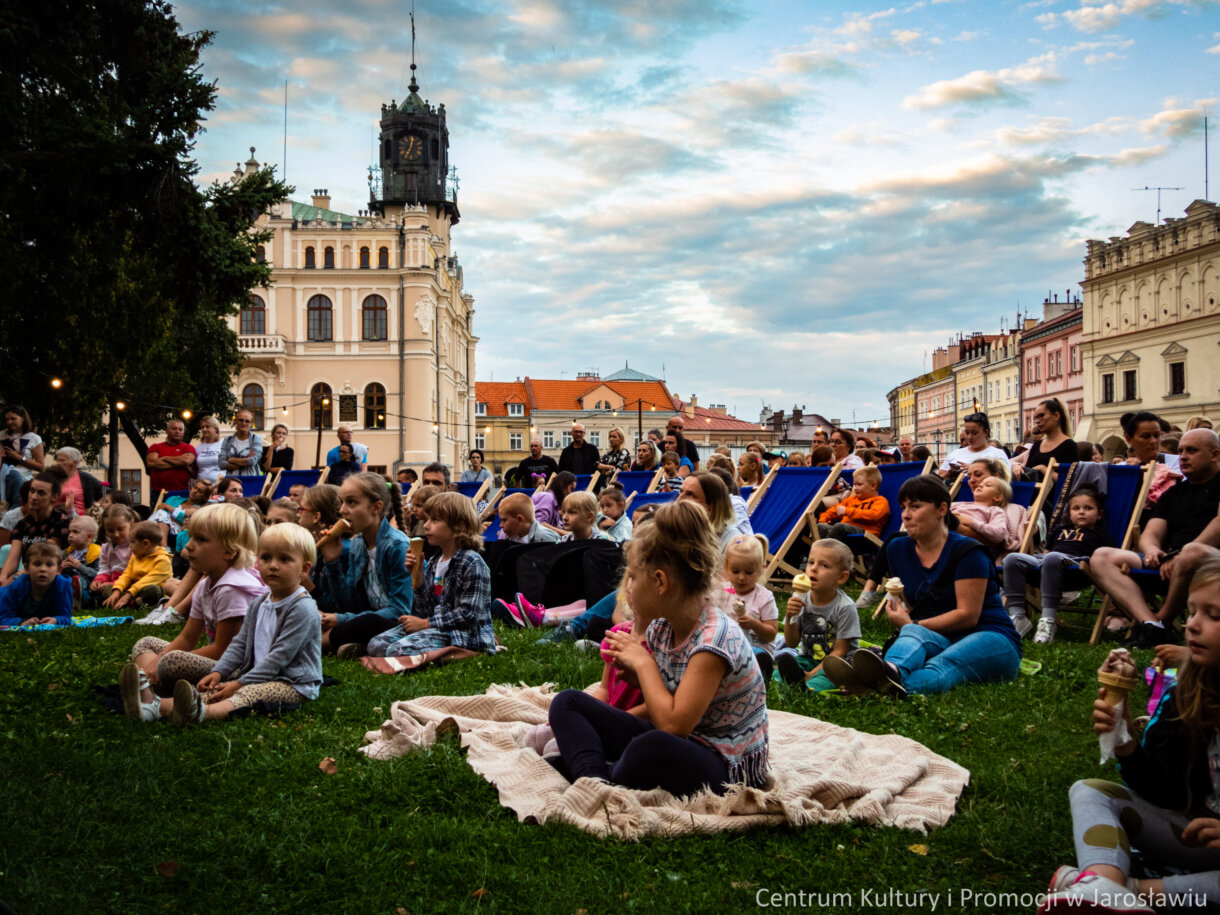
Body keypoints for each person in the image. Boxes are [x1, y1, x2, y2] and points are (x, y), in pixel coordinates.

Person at [546, 500, 769, 796]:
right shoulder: (661, 629)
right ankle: (595, 777)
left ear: (660, 582)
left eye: (634, 578)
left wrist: (644, 666)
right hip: (682, 740)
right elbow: (661, 700)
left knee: (650, 747)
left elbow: (674, 726)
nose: (628, 588)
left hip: (725, 761)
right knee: (568, 703)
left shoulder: (713, 641)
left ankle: (594, 772)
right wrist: (620, 707)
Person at [1037, 561, 1220, 913]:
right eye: (1193, 610)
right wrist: (1124, 740)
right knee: (1089, 790)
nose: (1193, 624)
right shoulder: (1189, 691)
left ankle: (1126, 890)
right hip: (1195, 835)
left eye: (1214, 615)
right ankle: (1102, 884)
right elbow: (1165, 791)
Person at [827, 475, 1021, 697]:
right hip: (940, 635)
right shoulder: (897, 549)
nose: (906, 514)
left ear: (941, 509)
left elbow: (968, 615)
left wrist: (911, 623)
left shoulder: (969, 552)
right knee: (913, 634)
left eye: (916, 506)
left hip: (989, 635)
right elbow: (916, 605)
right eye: (903, 507)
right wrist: (908, 619)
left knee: (942, 664)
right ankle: (890, 670)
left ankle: (874, 690)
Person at [123, 523, 322, 727]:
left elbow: (279, 657)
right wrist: (219, 672)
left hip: (291, 683)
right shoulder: (260, 602)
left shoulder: (302, 608)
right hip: (250, 671)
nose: (273, 565)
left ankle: (169, 708)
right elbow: (239, 644)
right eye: (265, 558)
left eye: (284, 559)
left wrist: (238, 683)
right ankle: (157, 695)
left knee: (247, 693)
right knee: (221, 686)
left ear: (305, 568)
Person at [1087, 428, 1220, 649]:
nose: (1183, 456)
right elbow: (1151, 532)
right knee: (1101, 556)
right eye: (1180, 451)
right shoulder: (1175, 492)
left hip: (1210, 565)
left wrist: (1180, 554)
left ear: (1214, 454)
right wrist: (1152, 550)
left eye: (1192, 450)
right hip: (1172, 564)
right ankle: (1150, 624)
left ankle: (1162, 620)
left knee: (1192, 551)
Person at [122, 503, 264, 703]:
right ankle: (150, 683)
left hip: (239, 668)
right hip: (217, 662)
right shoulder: (207, 584)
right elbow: (188, 637)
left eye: (201, 539)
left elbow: (222, 650)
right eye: (191, 536)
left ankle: (149, 687)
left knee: (171, 661)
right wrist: (158, 658)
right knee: (146, 643)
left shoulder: (232, 589)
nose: (189, 545)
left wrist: (163, 660)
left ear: (229, 552)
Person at [368, 491, 494, 659]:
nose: (426, 525)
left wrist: (426, 624)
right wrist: (418, 579)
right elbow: (425, 610)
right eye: (427, 519)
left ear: (459, 526)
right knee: (376, 645)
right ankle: (439, 653)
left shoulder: (472, 563)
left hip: (462, 635)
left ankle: (471, 652)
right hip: (436, 628)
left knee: (396, 651)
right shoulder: (435, 561)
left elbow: (469, 615)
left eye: (434, 520)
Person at [316, 473, 413, 657]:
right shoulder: (357, 545)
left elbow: (400, 610)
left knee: (368, 621)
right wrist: (332, 561)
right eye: (342, 502)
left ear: (376, 507)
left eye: (351, 502)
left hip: (401, 622)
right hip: (370, 620)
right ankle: (359, 644)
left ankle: (318, 644)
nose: (343, 510)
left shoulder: (397, 546)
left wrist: (342, 619)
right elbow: (349, 604)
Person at [1003, 486, 1113, 644]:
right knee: (1012, 558)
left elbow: (1106, 558)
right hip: (1048, 564)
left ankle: (1048, 618)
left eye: (1088, 508)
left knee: (1052, 557)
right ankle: (1018, 617)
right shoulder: (1059, 530)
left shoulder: (1100, 534)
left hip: (1077, 569)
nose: (1081, 511)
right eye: (1076, 508)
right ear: (1069, 513)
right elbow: (1047, 552)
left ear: (1100, 514)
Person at [775, 538, 859, 690]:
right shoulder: (800, 597)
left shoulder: (845, 607)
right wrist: (790, 617)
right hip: (809, 658)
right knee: (778, 674)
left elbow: (840, 651)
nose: (813, 569)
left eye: (824, 565)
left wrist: (812, 674)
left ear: (841, 577)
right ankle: (784, 679)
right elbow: (792, 642)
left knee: (823, 681)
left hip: (838, 664)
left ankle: (806, 687)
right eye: (810, 562)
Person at [721, 534, 778, 681]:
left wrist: (754, 624)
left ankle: (760, 671)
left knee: (755, 657)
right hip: (728, 646)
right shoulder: (723, 592)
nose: (741, 577)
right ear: (726, 567)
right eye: (735, 571)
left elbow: (771, 634)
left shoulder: (764, 597)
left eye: (748, 572)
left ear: (760, 569)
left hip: (757, 648)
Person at [0, 471, 71, 586]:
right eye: (32, 491)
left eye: (41, 493)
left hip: (50, 580)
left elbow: (43, 557)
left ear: (54, 497)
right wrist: (2, 578)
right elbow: (12, 559)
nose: (33, 497)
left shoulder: (61, 522)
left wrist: (13, 579)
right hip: (25, 577)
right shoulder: (23, 524)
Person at [102, 520, 172, 611]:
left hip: (145, 589)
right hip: (133, 590)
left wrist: (128, 595)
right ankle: (133, 602)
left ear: (145, 543)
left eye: (132, 542)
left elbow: (146, 581)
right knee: (108, 588)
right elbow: (127, 575)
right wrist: (117, 590)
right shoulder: (136, 555)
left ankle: (127, 601)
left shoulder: (163, 560)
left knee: (153, 590)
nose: (130, 546)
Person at [0, 541, 71, 627]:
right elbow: (4, 617)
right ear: (26, 568)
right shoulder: (16, 587)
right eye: (37, 564)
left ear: (59, 570)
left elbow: (65, 616)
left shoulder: (63, 586)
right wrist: (22, 623)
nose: (43, 569)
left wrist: (56, 620)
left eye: (49, 565)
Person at [817, 464, 889, 541]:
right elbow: (833, 510)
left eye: (859, 484)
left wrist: (847, 511)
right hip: (844, 531)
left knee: (839, 527)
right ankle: (825, 549)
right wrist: (823, 520)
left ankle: (826, 551)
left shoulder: (880, 501)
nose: (855, 488)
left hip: (865, 535)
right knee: (820, 527)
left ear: (873, 485)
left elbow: (873, 515)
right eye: (854, 485)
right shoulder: (850, 500)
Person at [951, 475, 1019, 555]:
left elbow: (999, 534)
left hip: (964, 546)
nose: (980, 485)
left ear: (997, 497)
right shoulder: (956, 504)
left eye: (988, 485)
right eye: (981, 483)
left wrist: (971, 522)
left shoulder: (994, 511)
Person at [677, 472, 740, 553]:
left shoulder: (732, 543)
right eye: (681, 492)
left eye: (690, 495)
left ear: (712, 506)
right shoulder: (678, 532)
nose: (679, 500)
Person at [1019, 398, 1077, 480]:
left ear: (1056, 416)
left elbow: (1068, 481)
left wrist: (1043, 469)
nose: (1037, 421)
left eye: (1041, 416)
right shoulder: (1037, 445)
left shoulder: (1070, 446)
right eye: (1036, 418)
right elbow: (1028, 472)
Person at [937, 413, 1009, 477]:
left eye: (974, 433)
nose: (969, 437)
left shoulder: (997, 454)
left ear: (986, 432)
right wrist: (948, 475)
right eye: (967, 433)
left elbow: (1005, 478)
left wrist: (973, 470)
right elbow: (939, 478)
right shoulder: (955, 453)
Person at [90, 505, 135, 606]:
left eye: (120, 529)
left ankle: (129, 600)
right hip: (112, 582)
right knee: (96, 589)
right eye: (111, 531)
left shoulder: (135, 546)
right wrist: (98, 581)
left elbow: (135, 572)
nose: (116, 534)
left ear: (131, 523)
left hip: (130, 581)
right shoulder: (106, 547)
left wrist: (114, 584)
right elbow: (104, 568)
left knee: (107, 590)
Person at [146, 419, 197, 496]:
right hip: (158, 492)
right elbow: (152, 463)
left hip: (181, 492)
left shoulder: (188, 448)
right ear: (166, 430)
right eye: (174, 428)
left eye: (180, 429)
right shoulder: (155, 447)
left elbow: (186, 460)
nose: (177, 431)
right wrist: (180, 464)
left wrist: (164, 458)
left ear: (183, 432)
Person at [52, 447, 104, 517]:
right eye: (57, 460)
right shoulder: (51, 478)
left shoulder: (85, 478)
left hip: (79, 522)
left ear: (74, 463)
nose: (58, 463)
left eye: (62, 460)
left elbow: (104, 494)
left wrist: (94, 512)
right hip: (54, 522)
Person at [61, 515, 100, 604]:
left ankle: (84, 600)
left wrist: (80, 566)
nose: (70, 535)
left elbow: (98, 574)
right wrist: (61, 567)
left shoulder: (96, 553)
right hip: (68, 582)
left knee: (80, 581)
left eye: (75, 532)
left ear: (89, 536)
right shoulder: (66, 552)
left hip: (87, 585)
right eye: (69, 532)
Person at [0, 405, 45, 483]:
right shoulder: (2, 435)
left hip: (22, 482)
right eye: (7, 419)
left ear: (23, 418)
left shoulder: (34, 438)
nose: (9, 422)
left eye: (13, 419)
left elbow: (41, 467)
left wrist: (19, 457)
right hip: (2, 481)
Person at [496, 492, 561, 544]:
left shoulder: (546, 539)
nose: (500, 525)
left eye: (504, 520)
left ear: (520, 520)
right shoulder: (511, 535)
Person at [219, 411, 264, 478]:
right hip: (231, 482)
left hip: (251, 480)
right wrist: (246, 459)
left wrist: (231, 460)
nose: (244, 423)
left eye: (247, 421)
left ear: (251, 423)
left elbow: (252, 461)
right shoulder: (227, 440)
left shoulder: (256, 438)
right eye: (241, 420)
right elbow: (221, 463)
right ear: (235, 421)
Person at [193, 416, 225, 484]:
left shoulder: (224, 444)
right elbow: (195, 469)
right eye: (202, 427)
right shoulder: (199, 448)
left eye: (207, 426)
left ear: (216, 429)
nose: (204, 429)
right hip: (202, 487)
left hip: (219, 485)